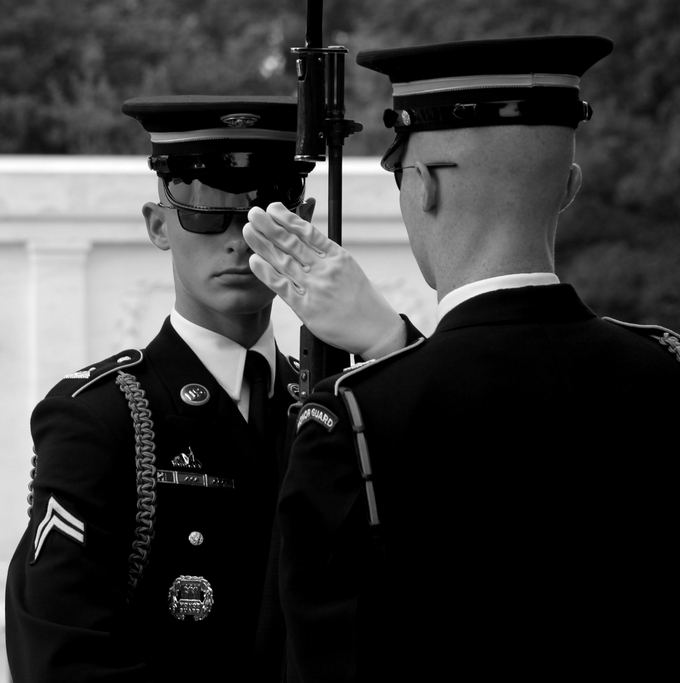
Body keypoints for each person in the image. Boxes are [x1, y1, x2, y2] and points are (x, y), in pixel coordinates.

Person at [243, 35, 680, 682]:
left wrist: (387, 368)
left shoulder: (352, 424)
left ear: (420, 187)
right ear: (568, 186)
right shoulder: (664, 373)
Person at [4, 95, 417, 682]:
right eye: (203, 211)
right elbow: (60, 656)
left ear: (300, 220)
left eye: (261, 212)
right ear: (158, 225)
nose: (237, 239)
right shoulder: (100, 419)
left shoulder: (344, 403)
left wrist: (389, 342)